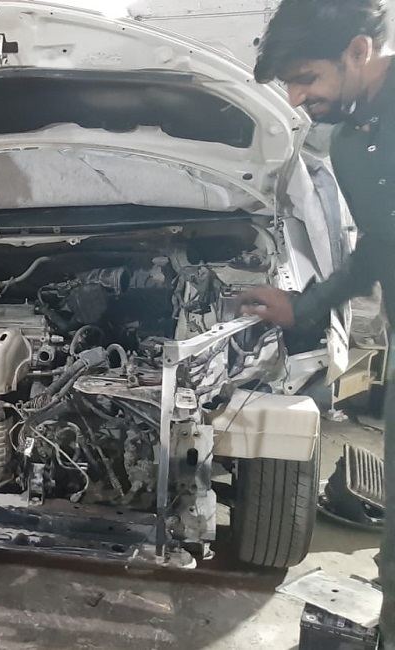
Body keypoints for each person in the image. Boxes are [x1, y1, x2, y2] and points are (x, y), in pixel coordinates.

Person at [241, 0, 395, 644]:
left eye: (307, 77)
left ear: (358, 50)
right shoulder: (353, 142)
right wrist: (299, 306)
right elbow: (376, 251)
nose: (298, 98)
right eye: (290, 84)